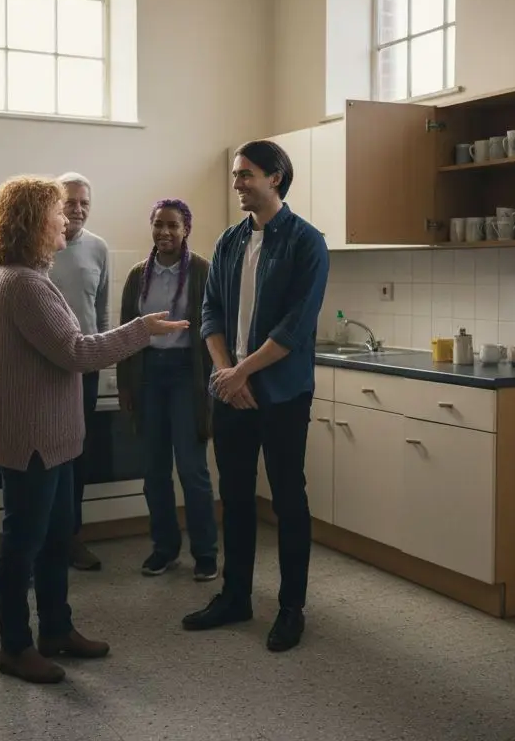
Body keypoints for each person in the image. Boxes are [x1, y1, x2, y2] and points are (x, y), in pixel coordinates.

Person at [0, 175, 187, 684]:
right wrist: (142, 330)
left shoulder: (27, 274)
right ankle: (15, 647)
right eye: (57, 212)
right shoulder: (24, 283)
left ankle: (55, 631)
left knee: (53, 543)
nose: (67, 219)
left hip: (48, 439)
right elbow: (77, 351)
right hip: (31, 439)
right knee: (22, 546)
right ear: (34, 222)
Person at [182, 140, 329, 653]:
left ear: (276, 178)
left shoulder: (307, 243)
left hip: (283, 393)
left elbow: (295, 327)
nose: (238, 182)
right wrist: (227, 375)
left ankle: (292, 608)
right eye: (236, 175)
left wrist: (241, 372)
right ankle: (235, 595)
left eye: (246, 174)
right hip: (232, 392)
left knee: (289, 499)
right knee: (237, 498)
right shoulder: (228, 242)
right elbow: (211, 314)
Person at [118, 199, 218, 581]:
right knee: (153, 470)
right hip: (148, 377)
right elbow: (127, 333)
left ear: (186, 229)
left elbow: (214, 328)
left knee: (192, 470)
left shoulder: (202, 271)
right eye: (159, 224)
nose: (165, 232)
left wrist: (213, 384)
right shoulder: (136, 275)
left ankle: (206, 553)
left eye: (173, 225)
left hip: (187, 378)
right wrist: (126, 383)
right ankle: (164, 549)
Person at [46, 171, 110, 572]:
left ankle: (72, 538)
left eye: (85, 202)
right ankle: (45, 543)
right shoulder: (40, 246)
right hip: (47, 368)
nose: (78, 209)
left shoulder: (99, 249)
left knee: (78, 454)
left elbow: (100, 310)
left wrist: (101, 353)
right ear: (56, 203)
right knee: (48, 455)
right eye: (70, 202)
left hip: (85, 366)